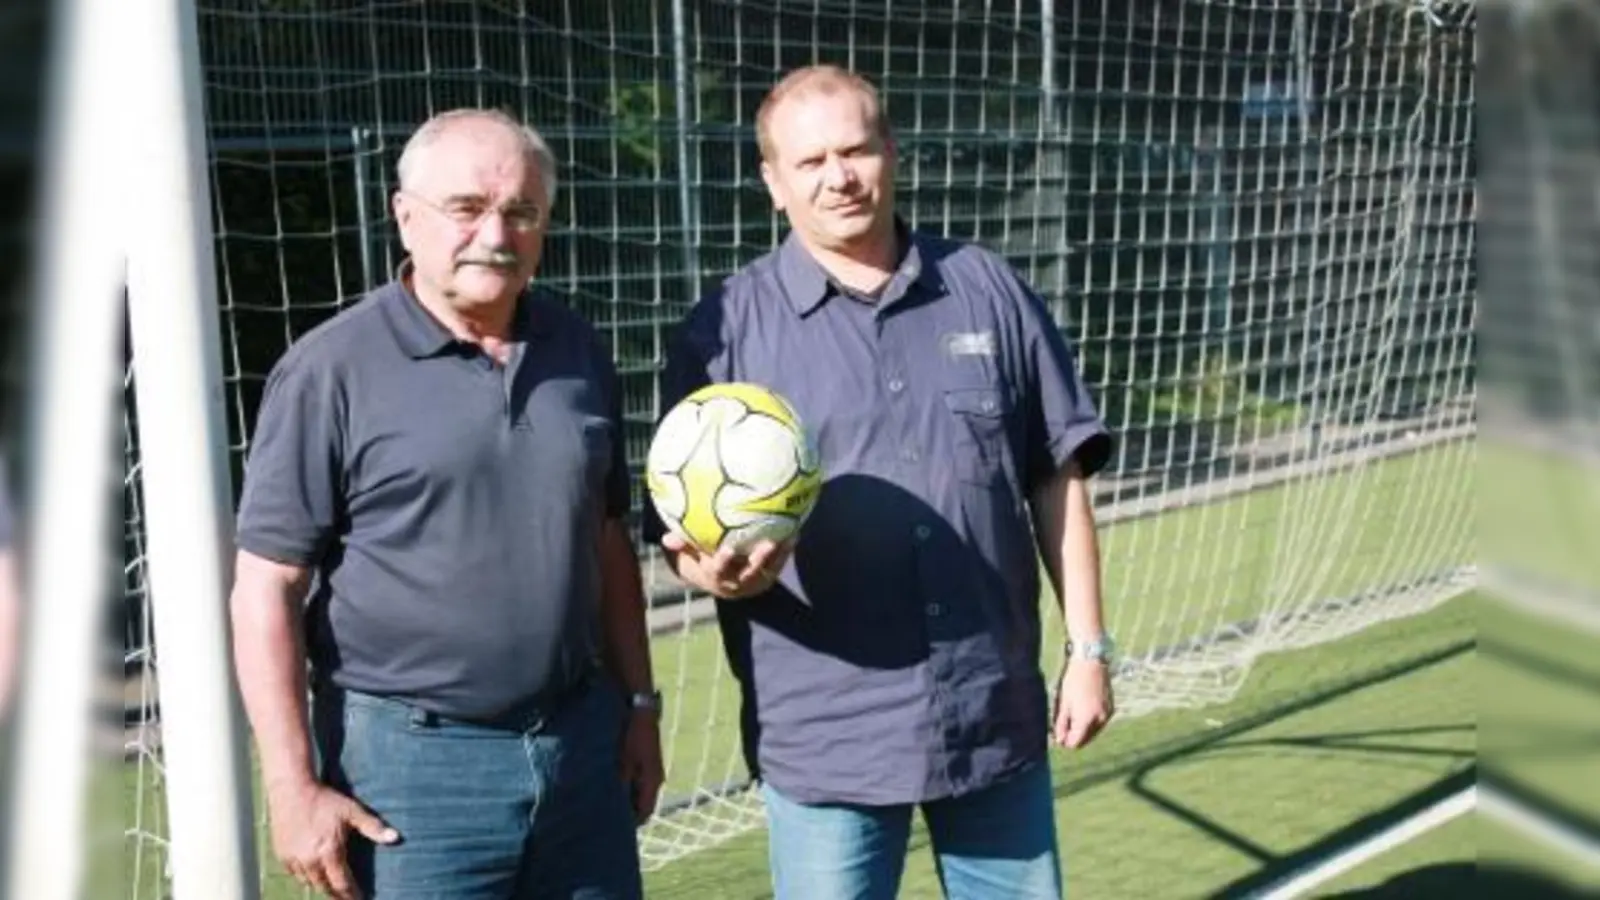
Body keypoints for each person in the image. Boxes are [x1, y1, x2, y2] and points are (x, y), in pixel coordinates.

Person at [646, 66, 1117, 899]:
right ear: (773, 182)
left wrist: (1089, 650)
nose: (840, 176)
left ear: (892, 152)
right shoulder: (723, 333)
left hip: (991, 711)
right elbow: (678, 538)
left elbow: (1056, 478)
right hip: (829, 733)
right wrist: (709, 573)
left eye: (858, 149)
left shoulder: (987, 287)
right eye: (812, 160)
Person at [230, 108, 662, 900]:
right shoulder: (329, 371)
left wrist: (639, 704)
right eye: (466, 208)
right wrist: (292, 788)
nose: (496, 232)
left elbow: (607, 540)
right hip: (411, 774)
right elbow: (266, 586)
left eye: (521, 211)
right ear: (405, 216)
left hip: (579, 749)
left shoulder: (578, 349)